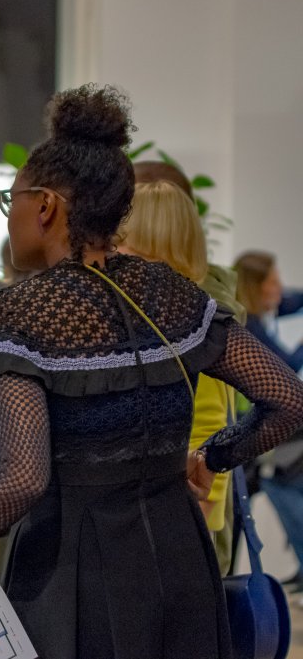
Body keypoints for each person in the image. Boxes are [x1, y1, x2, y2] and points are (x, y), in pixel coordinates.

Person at [0, 84, 303, 659]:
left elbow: (21, 478)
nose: (10, 220)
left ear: (46, 207)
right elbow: (288, 399)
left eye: (12, 201)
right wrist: (210, 458)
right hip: (182, 557)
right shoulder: (168, 291)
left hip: (73, 569)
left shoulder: (24, 310)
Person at [116, 179, 237, 566]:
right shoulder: (168, 320)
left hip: (174, 539)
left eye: (121, 243)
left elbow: (209, 438)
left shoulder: (192, 326)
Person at [234, 250, 303, 590]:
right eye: (273, 282)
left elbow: (292, 300)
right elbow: (285, 366)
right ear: (255, 287)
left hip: (262, 429)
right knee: (279, 484)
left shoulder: (256, 317)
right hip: (248, 431)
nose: (280, 289)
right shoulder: (249, 327)